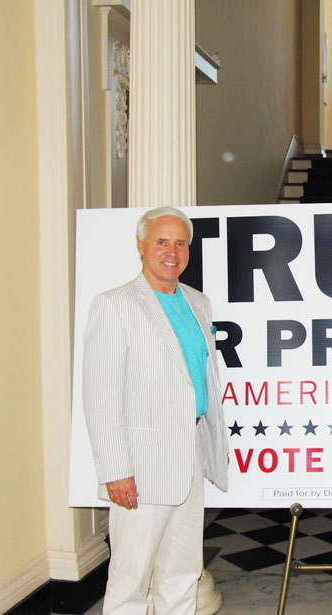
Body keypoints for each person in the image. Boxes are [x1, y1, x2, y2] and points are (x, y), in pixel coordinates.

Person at [82, 206, 229, 614]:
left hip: (191, 454)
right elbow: (101, 395)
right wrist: (115, 470)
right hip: (141, 468)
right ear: (141, 245)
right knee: (131, 579)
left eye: (180, 243)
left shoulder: (198, 302)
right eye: (161, 241)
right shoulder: (115, 305)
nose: (172, 251)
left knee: (182, 572)